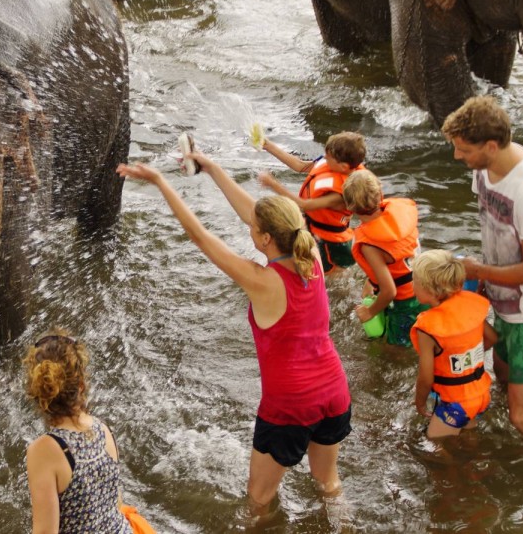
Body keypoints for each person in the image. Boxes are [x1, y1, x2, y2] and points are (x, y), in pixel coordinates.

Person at [117, 155, 352, 523]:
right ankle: (348, 527)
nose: (249, 227)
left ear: (266, 238)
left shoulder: (262, 281)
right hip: (334, 392)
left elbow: (199, 236)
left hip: (290, 405)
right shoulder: (315, 259)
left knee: (258, 500)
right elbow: (258, 214)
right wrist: (210, 168)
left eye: (253, 228)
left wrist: (162, 182)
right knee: (328, 483)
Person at [441, 95, 523, 438]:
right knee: (501, 383)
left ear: (490, 145)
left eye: (464, 150)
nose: (457, 157)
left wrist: (478, 271)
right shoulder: (486, 171)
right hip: (505, 302)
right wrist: (484, 280)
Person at [24, 330, 136, 534]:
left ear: (38, 393)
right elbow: (116, 504)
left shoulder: (43, 451)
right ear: (81, 386)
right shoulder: (103, 429)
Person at [410, 250, 497, 438]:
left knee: (434, 445)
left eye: (414, 281)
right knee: (468, 438)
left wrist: (420, 402)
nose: (412, 285)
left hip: (455, 404)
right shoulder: (469, 307)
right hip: (480, 393)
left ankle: (453, 468)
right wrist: (469, 356)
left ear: (430, 289)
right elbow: (491, 337)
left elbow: (425, 377)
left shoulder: (427, 328)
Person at [257, 132, 366, 274]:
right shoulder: (332, 164)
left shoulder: (341, 193)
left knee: (326, 278)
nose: (324, 158)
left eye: (329, 157)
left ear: (344, 166)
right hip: (313, 229)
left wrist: (272, 184)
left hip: (330, 244)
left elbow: (304, 205)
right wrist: (268, 145)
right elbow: (300, 165)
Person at [343, 169, 426, 346]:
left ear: (349, 207)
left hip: (406, 303)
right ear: (380, 194)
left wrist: (370, 312)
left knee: (397, 350)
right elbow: (399, 259)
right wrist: (372, 282)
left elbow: (390, 291)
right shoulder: (401, 217)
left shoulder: (369, 244)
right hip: (427, 289)